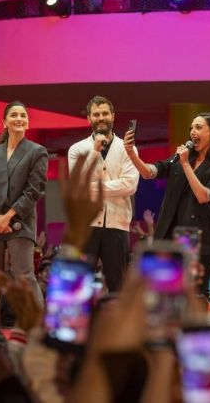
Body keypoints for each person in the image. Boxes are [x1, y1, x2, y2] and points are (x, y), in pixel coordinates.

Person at [124, 112, 210, 294]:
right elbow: (149, 172)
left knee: (195, 295)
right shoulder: (182, 158)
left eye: (199, 127)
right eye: (191, 127)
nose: (192, 131)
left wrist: (185, 165)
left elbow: (203, 196)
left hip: (196, 239)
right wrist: (131, 153)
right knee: (163, 293)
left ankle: (204, 321)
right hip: (168, 237)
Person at [0, 101, 48, 303]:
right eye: (14, 115)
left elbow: (35, 190)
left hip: (21, 220)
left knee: (24, 277)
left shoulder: (37, 151)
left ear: (28, 123)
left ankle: (36, 330)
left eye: (23, 116)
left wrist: (8, 217)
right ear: (4, 122)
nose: (19, 119)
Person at [67, 96, 139, 292]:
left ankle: (119, 323)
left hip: (117, 224)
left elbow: (130, 185)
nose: (101, 118)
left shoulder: (128, 149)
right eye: (96, 114)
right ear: (89, 118)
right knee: (81, 286)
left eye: (105, 113)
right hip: (86, 225)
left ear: (113, 116)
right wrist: (94, 151)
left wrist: (92, 187)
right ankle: (81, 323)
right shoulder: (77, 149)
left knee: (118, 284)